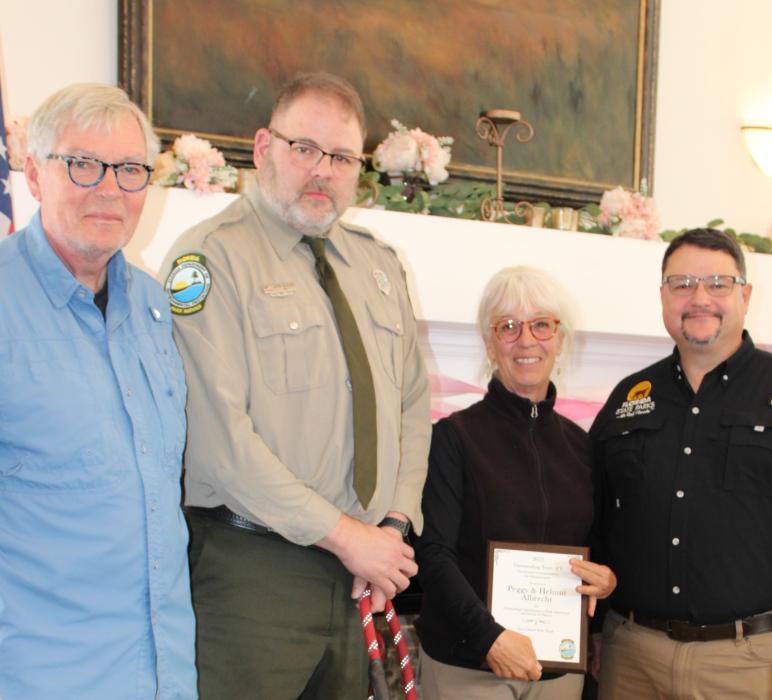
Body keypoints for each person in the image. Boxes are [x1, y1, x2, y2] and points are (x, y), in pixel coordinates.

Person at [159, 72, 430, 700]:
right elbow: (220, 440)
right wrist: (350, 537)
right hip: (253, 575)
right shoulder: (208, 260)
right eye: (303, 149)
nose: (322, 171)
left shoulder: (378, 264)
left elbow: (414, 406)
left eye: (340, 158)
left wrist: (391, 524)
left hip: (355, 578)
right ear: (262, 148)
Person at [590, 228, 772, 700]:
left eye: (718, 283)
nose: (699, 297)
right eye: (682, 284)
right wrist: (596, 628)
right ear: (663, 296)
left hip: (754, 662)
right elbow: (595, 516)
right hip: (632, 658)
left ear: (745, 294)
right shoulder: (629, 398)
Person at [0, 84, 196, 698]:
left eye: (131, 169)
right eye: (83, 164)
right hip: (43, 675)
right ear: (33, 175)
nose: (110, 188)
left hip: (163, 672)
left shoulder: (153, 305)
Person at [414, 265, 617, 700]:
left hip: (557, 671)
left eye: (542, 325)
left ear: (560, 339)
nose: (526, 340)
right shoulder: (453, 437)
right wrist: (489, 637)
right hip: (467, 663)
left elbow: (598, 547)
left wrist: (605, 581)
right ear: (490, 342)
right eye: (508, 326)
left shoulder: (582, 447)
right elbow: (432, 554)